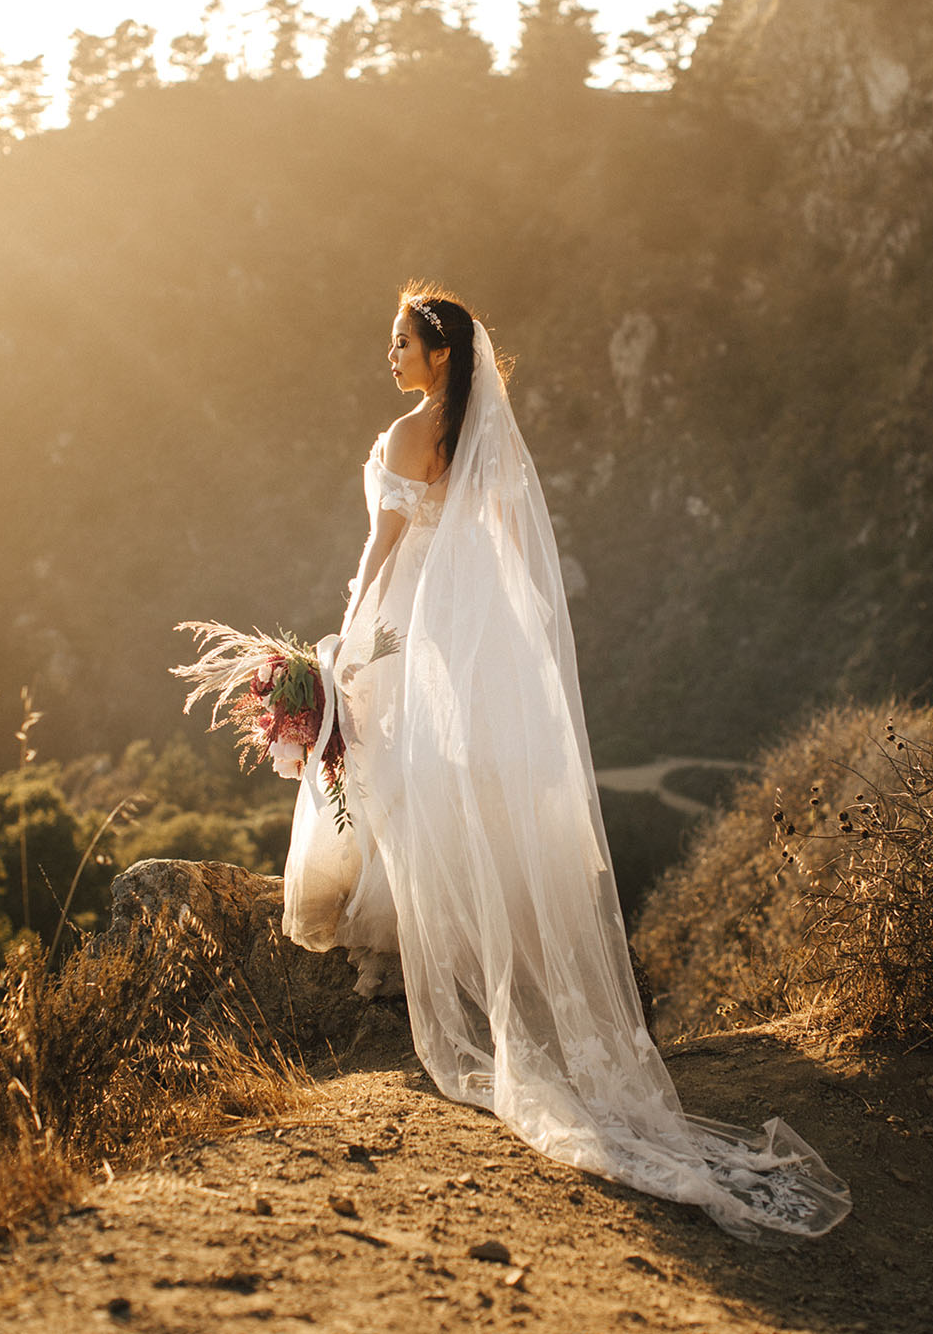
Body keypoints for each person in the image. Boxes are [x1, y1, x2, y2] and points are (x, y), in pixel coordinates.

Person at [282, 281, 851, 1241]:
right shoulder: (483, 441)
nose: (391, 354)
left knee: (399, 775)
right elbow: (505, 550)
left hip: (406, 628)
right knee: (458, 786)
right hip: (469, 636)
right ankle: (474, 957)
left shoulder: (405, 435)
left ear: (438, 356)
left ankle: (403, 959)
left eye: (402, 341)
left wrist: (340, 643)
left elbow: (380, 548)